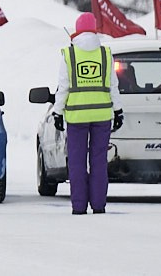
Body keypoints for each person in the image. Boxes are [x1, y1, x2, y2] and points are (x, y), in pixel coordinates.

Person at [52, 12, 121, 216]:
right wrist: (118, 110)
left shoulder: (69, 54)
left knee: (77, 162)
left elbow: (63, 87)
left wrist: (57, 112)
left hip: (76, 117)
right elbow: (113, 86)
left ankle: (79, 206)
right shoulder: (105, 54)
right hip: (102, 116)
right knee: (99, 162)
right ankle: (98, 205)